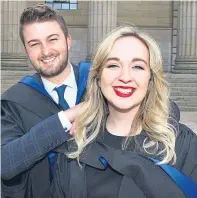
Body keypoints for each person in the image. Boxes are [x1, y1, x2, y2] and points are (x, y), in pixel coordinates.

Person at [3, 25, 197, 197]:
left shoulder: (182, 145)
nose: (125, 76)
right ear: (97, 77)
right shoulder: (75, 149)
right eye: (113, 65)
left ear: (151, 79)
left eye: (138, 66)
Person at [1, 3, 89, 197]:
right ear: (26, 50)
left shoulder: (99, 85)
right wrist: (65, 119)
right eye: (34, 44)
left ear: (68, 41)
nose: (45, 51)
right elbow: (5, 163)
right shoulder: (14, 102)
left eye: (52, 39)